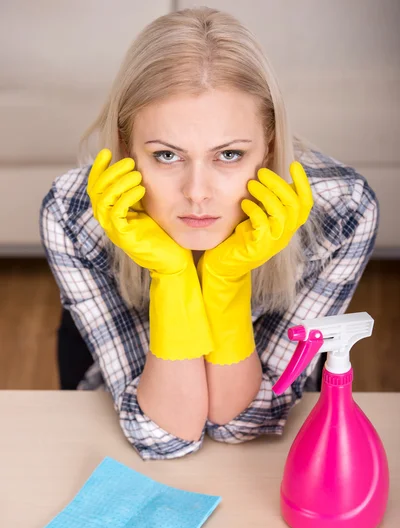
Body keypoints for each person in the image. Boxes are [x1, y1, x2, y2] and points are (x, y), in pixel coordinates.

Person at [39, 7, 378, 460]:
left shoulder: (341, 210)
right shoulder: (73, 211)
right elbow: (167, 435)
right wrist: (173, 276)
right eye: (166, 156)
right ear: (125, 148)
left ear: (270, 145)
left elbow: (241, 423)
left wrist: (224, 281)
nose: (197, 193)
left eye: (230, 155)